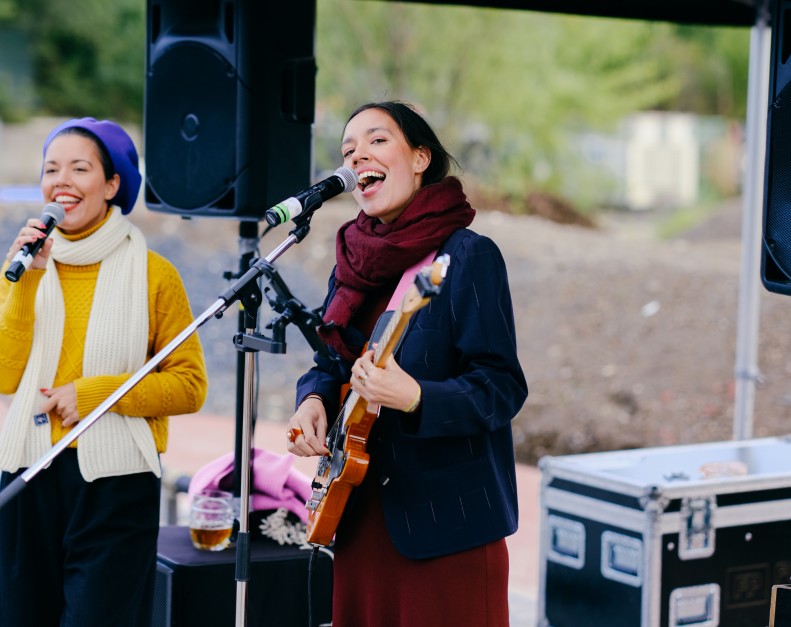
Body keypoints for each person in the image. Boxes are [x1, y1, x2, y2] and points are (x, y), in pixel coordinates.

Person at [286, 101, 528, 626]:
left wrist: (416, 397)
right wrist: (311, 400)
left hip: (447, 528)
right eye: (348, 149)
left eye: (377, 140)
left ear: (420, 157)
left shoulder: (467, 256)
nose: (358, 156)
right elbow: (331, 363)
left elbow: (501, 387)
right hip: (357, 514)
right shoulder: (352, 262)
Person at [0, 118, 208, 627]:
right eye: (52, 169)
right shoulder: (23, 264)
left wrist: (96, 394)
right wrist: (25, 284)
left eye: (80, 168)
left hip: (115, 485)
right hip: (26, 472)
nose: (61, 181)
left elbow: (190, 385)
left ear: (112, 184)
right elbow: (5, 377)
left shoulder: (155, 275)